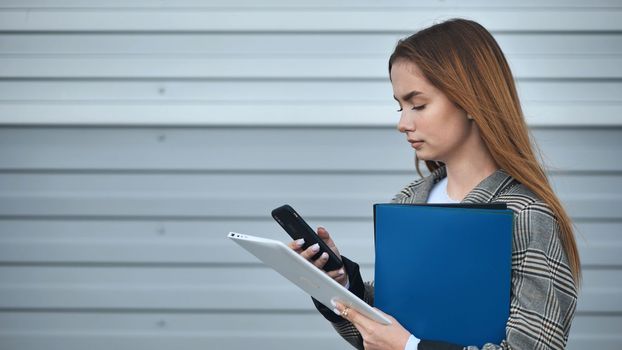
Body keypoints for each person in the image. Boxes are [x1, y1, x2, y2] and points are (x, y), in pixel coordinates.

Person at [288, 18, 580, 350]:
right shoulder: (408, 201)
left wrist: (411, 347)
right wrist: (341, 285)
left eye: (418, 104)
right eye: (400, 106)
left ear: (470, 99)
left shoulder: (527, 215)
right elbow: (382, 332)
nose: (402, 123)